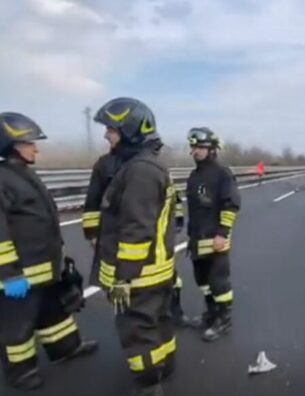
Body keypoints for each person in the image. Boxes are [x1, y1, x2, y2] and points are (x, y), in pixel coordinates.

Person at [0, 112, 98, 391]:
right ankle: (19, 373)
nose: (36, 148)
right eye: (29, 143)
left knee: (53, 313)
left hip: (44, 268)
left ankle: (65, 348)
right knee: (17, 327)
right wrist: (8, 275)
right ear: (10, 144)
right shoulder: (2, 179)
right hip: (20, 275)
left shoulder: (23, 174)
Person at [93, 97, 177, 396]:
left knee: (138, 334)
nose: (106, 135)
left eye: (111, 130)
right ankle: (164, 367)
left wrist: (123, 278)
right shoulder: (147, 166)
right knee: (159, 324)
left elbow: (136, 230)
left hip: (138, 277)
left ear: (129, 131)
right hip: (154, 271)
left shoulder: (139, 171)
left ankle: (148, 385)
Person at [81, 128, 190, 327]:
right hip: (119, 241)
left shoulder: (148, 166)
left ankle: (173, 313)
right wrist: (93, 234)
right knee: (129, 299)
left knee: (169, 281)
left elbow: (172, 199)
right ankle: (138, 327)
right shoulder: (105, 165)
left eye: (111, 131)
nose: (105, 135)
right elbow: (92, 203)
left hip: (153, 241)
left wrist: (176, 223)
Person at [185, 127, 241, 342]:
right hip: (197, 240)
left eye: (201, 147)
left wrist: (222, 233)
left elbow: (231, 204)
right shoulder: (194, 176)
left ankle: (224, 319)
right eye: (194, 147)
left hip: (215, 239)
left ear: (212, 150)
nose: (196, 151)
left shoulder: (222, 174)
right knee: (202, 281)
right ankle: (210, 314)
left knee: (218, 282)